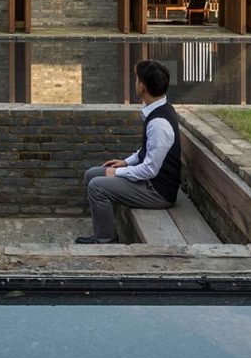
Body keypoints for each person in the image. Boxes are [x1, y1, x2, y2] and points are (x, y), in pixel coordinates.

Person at [77, 58, 181, 244]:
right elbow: (148, 150)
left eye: (136, 79)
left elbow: (150, 170)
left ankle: (106, 242)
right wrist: (126, 162)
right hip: (149, 182)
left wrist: (117, 172)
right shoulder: (158, 108)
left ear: (142, 87)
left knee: (97, 186)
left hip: (157, 192)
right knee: (91, 174)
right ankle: (104, 230)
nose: (135, 82)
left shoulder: (159, 123)